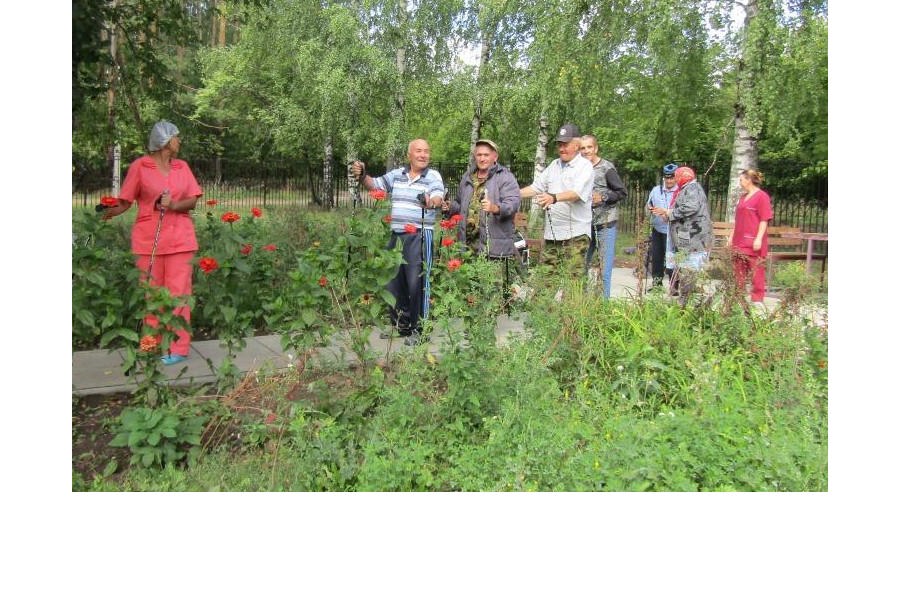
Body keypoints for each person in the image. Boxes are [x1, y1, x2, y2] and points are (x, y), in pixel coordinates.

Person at [99, 120, 203, 365]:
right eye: (176, 137)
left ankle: (178, 347)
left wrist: (174, 205)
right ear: (165, 142)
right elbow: (125, 201)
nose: (179, 141)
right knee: (152, 293)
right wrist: (105, 212)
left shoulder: (182, 167)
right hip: (149, 242)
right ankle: (152, 343)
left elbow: (193, 200)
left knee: (179, 293)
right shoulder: (140, 166)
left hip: (181, 240)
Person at [351, 139, 446, 345]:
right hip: (397, 235)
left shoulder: (432, 176)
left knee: (417, 284)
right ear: (409, 155)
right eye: (419, 151)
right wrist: (363, 174)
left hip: (419, 235)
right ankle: (401, 325)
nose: (423, 155)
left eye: (426, 152)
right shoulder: (397, 175)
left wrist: (430, 201)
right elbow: (374, 185)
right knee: (395, 282)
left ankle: (420, 330)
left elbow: (438, 196)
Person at [519, 123, 594, 284]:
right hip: (553, 235)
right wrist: (512, 194)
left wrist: (553, 197)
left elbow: (576, 193)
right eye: (559, 144)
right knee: (545, 282)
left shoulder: (584, 167)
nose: (562, 148)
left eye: (565, 144)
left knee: (573, 283)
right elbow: (536, 187)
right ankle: (543, 310)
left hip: (576, 234)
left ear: (577, 145)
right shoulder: (554, 165)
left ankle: (572, 309)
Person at [445, 138, 522, 258]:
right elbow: (460, 205)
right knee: (467, 277)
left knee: (490, 276)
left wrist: (495, 208)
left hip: (493, 246)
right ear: (475, 157)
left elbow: (513, 204)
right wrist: (449, 206)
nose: (482, 158)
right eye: (479, 155)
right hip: (466, 245)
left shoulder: (505, 177)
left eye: (486, 155)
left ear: (495, 157)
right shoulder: (468, 177)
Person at [650, 165, 711, 303]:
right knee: (684, 266)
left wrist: (671, 213)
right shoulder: (688, 188)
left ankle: (687, 300)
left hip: (694, 236)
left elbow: (691, 207)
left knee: (690, 268)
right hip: (688, 236)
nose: (675, 180)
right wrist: (666, 213)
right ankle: (685, 298)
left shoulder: (692, 188)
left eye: (677, 177)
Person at [580, 135, 627, 298]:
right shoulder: (578, 168)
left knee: (604, 270)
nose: (586, 151)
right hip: (584, 225)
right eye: (582, 148)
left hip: (605, 224)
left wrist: (603, 197)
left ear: (596, 148)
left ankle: (602, 309)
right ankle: (581, 305)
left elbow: (621, 192)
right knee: (580, 267)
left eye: (589, 147)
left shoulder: (606, 168)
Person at [730, 168, 773, 305]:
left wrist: (759, 238)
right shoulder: (742, 197)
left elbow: (764, 219)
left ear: (749, 180)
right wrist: (731, 237)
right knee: (738, 269)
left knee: (756, 269)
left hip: (753, 240)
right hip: (739, 239)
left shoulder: (762, 196)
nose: (740, 183)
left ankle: (757, 298)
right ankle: (738, 296)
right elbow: (737, 220)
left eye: (741, 180)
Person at [645, 163, 679, 290]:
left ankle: (674, 286)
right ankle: (657, 284)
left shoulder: (680, 191)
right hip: (657, 229)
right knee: (657, 257)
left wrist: (665, 212)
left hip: (673, 231)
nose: (669, 181)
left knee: (672, 258)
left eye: (672, 178)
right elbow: (648, 206)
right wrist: (650, 210)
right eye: (667, 178)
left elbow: (681, 211)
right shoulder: (656, 190)